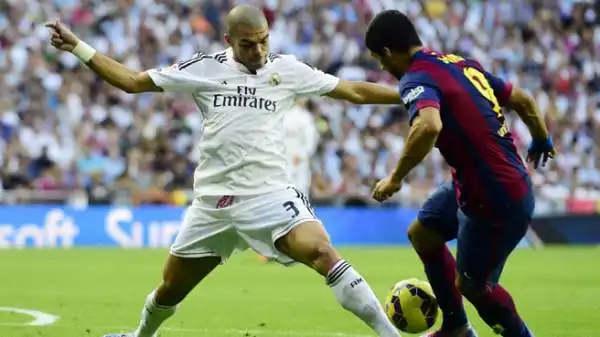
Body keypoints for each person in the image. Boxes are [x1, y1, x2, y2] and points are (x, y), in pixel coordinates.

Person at [47, 5, 404, 337]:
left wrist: (410, 92)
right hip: (212, 204)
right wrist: (79, 47)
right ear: (229, 42)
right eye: (248, 44)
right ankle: (140, 335)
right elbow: (132, 81)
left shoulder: (287, 70)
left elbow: (355, 91)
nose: (259, 51)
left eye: (264, 41)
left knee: (323, 253)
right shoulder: (204, 69)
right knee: (170, 287)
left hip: (268, 194)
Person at [366, 10, 555, 337]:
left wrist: (395, 178)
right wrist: (541, 138)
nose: (384, 69)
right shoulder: (460, 64)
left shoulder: (415, 77)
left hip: (495, 197)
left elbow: (428, 126)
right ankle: (456, 328)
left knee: (473, 285)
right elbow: (522, 100)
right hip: (482, 184)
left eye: (380, 60)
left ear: (387, 52)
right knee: (423, 233)